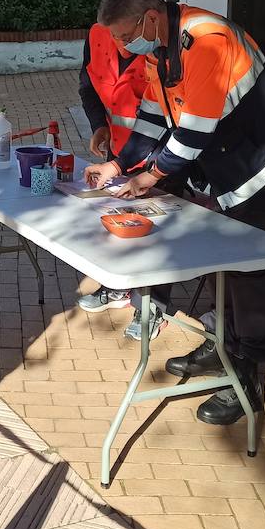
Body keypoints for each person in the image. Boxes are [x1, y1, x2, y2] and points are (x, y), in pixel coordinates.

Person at [84, 0, 265, 427]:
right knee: (225, 260)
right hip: (229, 166)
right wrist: (120, 165)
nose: (126, 48)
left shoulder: (206, 41)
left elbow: (192, 133)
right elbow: (151, 114)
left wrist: (150, 177)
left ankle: (248, 376)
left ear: (150, 18)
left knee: (254, 270)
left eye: (127, 37)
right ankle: (224, 341)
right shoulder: (159, 46)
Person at [74, 20, 170, 339]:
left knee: (157, 231)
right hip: (119, 150)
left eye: (127, 35)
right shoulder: (97, 34)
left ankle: (153, 307)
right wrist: (98, 125)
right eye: (116, 34)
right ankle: (118, 286)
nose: (122, 42)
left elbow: (165, 113)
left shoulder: (159, 44)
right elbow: (88, 84)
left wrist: (154, 170)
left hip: (159, 154)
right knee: (118, 221)